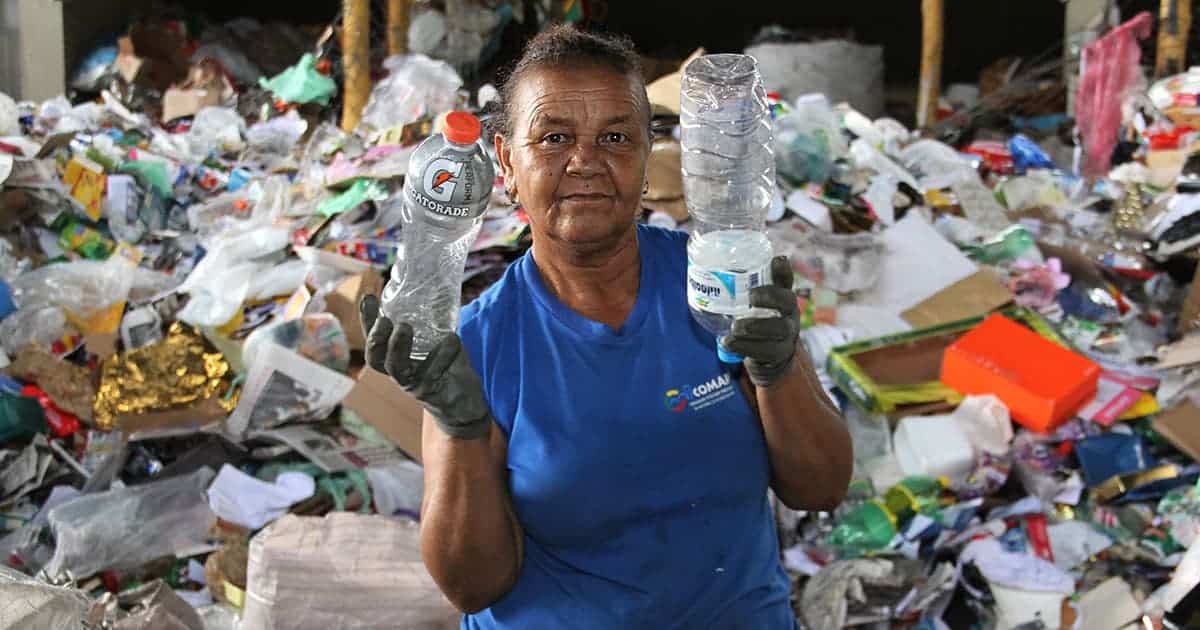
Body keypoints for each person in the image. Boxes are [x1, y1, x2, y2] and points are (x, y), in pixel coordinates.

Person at [359, 25, 853, 629]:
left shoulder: (718, 286)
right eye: (554, 137)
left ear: (648, 157)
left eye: (616, 136)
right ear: (506, 163)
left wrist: (776, 371)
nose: (586, 161)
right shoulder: (478, 347)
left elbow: (822, 487)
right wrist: (461, 430)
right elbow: (472, 585)